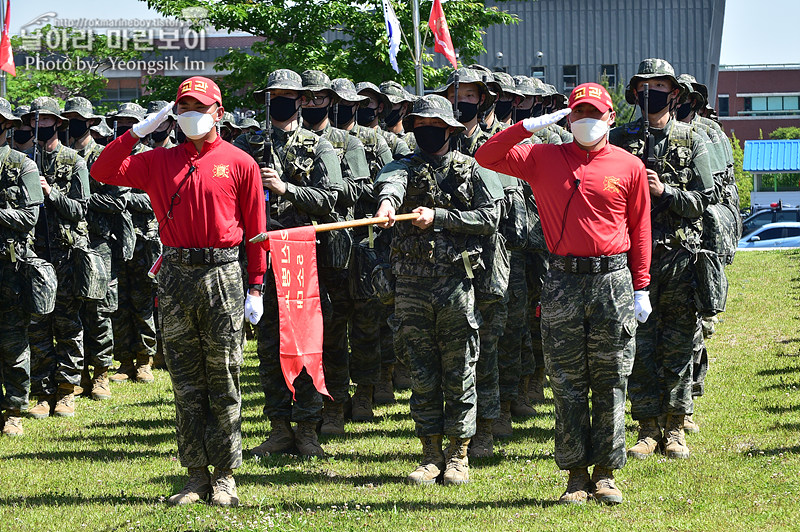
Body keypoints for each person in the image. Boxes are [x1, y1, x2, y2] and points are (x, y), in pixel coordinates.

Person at [91, 76, 266, 507]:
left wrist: (256, 286)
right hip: (175, 275)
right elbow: (102, 170)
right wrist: (137, 132)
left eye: (200, 106)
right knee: (186, 383)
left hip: (223, 276)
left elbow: (257, 232)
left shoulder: (241, 162)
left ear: (218, 113)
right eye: (183, 105)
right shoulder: (157, 161)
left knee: (223, 378)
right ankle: (194, 476)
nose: (192, 113)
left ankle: (225, 475)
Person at [476, 82, 652, 505]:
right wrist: (525, 126)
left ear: (611, 118)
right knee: (568, 381)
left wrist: (641, 286)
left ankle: (606, 472)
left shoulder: (629, 166)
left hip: (611, 279)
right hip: (562, 280)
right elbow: (486, 156)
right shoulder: (542, 158)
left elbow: (641, 229)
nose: (586, 121)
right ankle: (575, 473)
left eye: (595, 113)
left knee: (611, 378)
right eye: (578, 113)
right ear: (567, 118)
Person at [374, 94, 500, 486]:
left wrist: (441, 218)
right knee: (422, 370)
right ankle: (430, 453)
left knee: (460, 368)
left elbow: (490, 216)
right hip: (410, 285)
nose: (426, 133)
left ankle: (459, 453)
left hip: (455, 285)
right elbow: (390, 186)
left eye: (434, 127)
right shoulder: (401, 167)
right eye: (420, 126)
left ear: (450, 130)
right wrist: (386, 206)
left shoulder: (472, 169)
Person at [609, 59, 714, 462]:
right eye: (644, 86)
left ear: (674, 93)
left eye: (660, 85)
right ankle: (647, 427)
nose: (650, 92)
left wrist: (666, 191)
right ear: (635, 93)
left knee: (679, 345)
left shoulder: (693, 139)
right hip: (634, 261)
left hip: (680, 260)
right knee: (638, 345)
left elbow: (703, 202)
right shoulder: (618, 139)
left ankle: (675, 426)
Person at [234, 69, 341, 458]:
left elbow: (333, 199)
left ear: (301, 99)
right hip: (263, 254)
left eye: (288, 95)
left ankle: (308, 429)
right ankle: (279, 428)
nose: (281, 101)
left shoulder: (319, 145)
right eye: (274, 95)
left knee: (306, 343)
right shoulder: (247, 143)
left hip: (304, 257)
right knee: (269, 346)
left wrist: (286, 188)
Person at [25, 97, 91, 420]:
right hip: (36, 257)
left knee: (67, 324)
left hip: (66, 257)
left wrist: (51, 192)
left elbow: (82, 209)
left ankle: (66, 391)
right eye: (36, 119)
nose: (40, 125)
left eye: (46, 119)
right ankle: (41, 391)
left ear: (58, 124)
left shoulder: (74, 162)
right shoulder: (27, 161)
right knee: (38, 325)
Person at [61, 96, 125, 403]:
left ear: (90, 122)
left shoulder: (104, 155)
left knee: (98, 310)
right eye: (69, 118)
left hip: (98, 243)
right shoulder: (57, 156)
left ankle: (101, 372)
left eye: (78, 119)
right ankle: (77, 375)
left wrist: (83, 199)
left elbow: (118, 201)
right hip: (67, 244)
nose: (73, 125)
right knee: (70, 313)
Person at [106, 103, 158, 386]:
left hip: (143, 240)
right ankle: (124, 360)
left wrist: (127, 200)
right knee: (119, 303)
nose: (125, 127)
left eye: (130, 123)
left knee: (143, 302)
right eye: (120, 122)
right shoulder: (111, 155)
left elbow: (155, 198)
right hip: (116, 240)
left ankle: (144, 359)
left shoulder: (150, 157)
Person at [0, 97, 43, 436]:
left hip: (10, 267)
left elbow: (31, 216)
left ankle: (14, 407)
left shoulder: (22, 166)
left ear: (7, 126)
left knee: (13, 339)